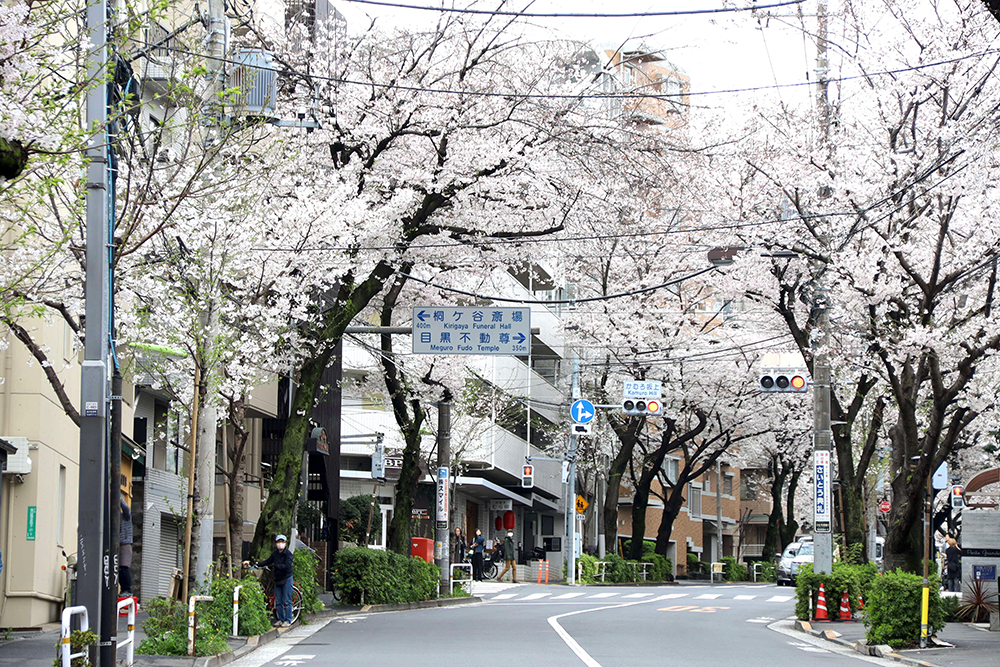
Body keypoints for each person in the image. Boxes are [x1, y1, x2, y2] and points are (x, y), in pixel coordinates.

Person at [244, 534, 295, 627]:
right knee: (278, 600)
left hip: (286, 577)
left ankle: (288, 620)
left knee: (287, 601)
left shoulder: (288, 554)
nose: (280, 544)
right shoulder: (275, 553)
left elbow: (287, 566)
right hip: (277, 578)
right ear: (276, 543)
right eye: (278, 542)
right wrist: (257, 564)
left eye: (282, 542)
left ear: (285, 543)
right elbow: (267, 561)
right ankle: (280, 619)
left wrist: (275, 566)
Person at [119, 498, 133, 596]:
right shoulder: (114, 517)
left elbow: (126, 508)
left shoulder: (126, 516)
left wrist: (118, 498)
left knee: (124, 567)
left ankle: (127, 590)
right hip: (118, 545)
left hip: (125, 544)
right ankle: (124, 590)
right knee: (119, 569)